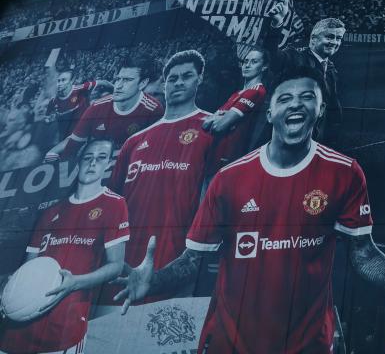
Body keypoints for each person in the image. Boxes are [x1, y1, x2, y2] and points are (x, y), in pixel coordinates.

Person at [115, 68, 385, 353]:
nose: (296, 105)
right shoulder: (230, 179)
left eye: (307, 97)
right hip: (231, 341)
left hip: (307, 343)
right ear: (271, 112)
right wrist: (153, 281)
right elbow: (193, 259)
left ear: (321, 109)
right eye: (285, 98)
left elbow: (363, 253)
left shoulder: (344, 172)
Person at [0, 138, 128, 354]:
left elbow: (116, 266)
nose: (93, 163)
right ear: (78, 163)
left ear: (109, 164)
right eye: (88, 158)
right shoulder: (51, 212)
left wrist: (76, 283)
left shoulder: (114, 204)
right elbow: (28, 269)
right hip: (17, 328)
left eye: (101, 158)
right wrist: (10, 290)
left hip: (64, 331)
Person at [108, 50, 216, 300]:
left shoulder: (211, 128)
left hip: (178, 270)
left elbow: (214, 204)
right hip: (122, 272)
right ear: (164, 83)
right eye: (172, 78)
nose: (178, 82)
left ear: (199, 79)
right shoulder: (134, 142)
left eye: (186, 76)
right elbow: (112, 208)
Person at [263, 7, 346, 150]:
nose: (334, 42)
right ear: (313, 39)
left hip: (318, 141)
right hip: (290, 138)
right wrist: (276, 25)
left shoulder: (331, 69)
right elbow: (273, 56)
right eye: (330, 37)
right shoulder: (296, 57)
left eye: (338, 38)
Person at [47, 59, 163, 161]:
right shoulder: (96, 107)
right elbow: (71, 148)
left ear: (142, 83)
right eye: (118, 79)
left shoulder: (153, 110)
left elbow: (154, 154)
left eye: (127, 80)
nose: (119, 85)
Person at [204, 47, 268, 165]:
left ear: (264, 67)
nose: (247, 65)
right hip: (213, 155)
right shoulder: (236, 94)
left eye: (254, 62)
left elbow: (219, 127)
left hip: (227, 158)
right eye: (245, 61)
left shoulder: (256, 91)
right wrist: (219, 118)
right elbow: (205, 123)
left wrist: (220, 117)